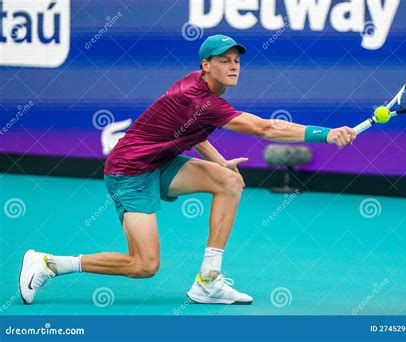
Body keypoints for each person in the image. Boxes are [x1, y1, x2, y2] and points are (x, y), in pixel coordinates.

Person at [19, 34, 356, 305]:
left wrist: (219, 160)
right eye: (224, 61)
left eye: (236, 61)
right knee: (144, 265)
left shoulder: (200, 86)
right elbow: (265, 129)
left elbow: (192, 130)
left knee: (228, 181)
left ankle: (208, 281)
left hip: (160, 163)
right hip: (130, 173)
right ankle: (51, 263)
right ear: (206, 65)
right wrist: (327, 134)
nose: (233, 66)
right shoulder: (199, 99)